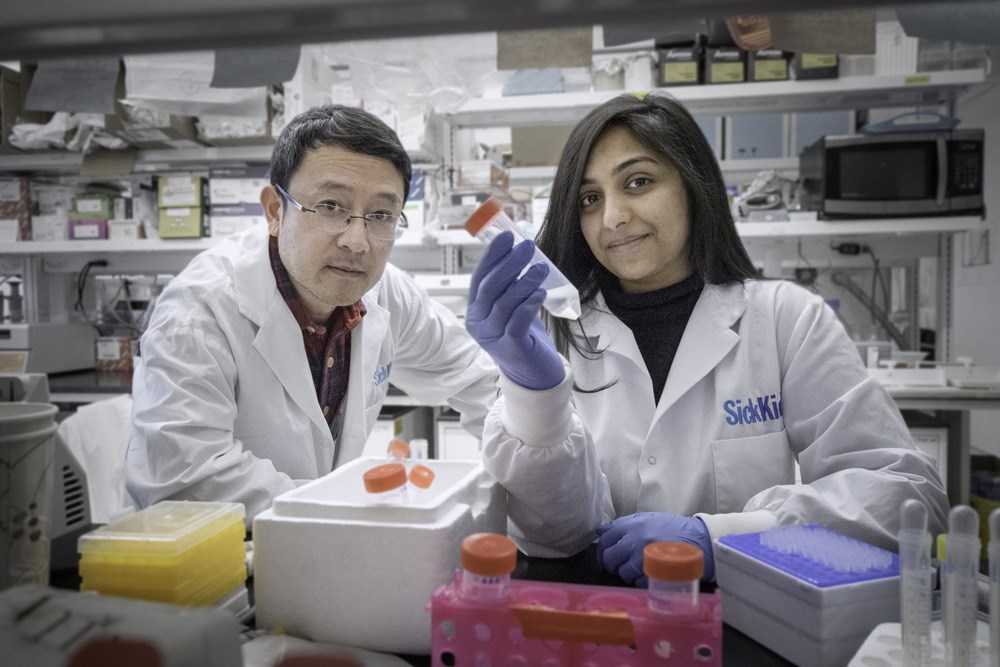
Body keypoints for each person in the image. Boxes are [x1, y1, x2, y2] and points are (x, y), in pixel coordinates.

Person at [465, 93, 948, 585]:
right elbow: (557, 535)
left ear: (694, 188)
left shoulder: (784, 319)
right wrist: (536, 396)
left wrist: (725, 539)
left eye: (639, 182)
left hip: (747, 621)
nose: (612, 218)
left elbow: (907, 499)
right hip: (598, 621)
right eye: (590, 198)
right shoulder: (552, 331)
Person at [126, 105, 499, 526]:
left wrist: (531, 461)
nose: (357, 242)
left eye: (380, 216)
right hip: (214, 562)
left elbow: (480, 381)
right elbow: (186, 482)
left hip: (322, 548)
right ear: (274, 211)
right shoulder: (199, 312)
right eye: (330, 206)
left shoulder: (386, 293)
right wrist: (344, 515)